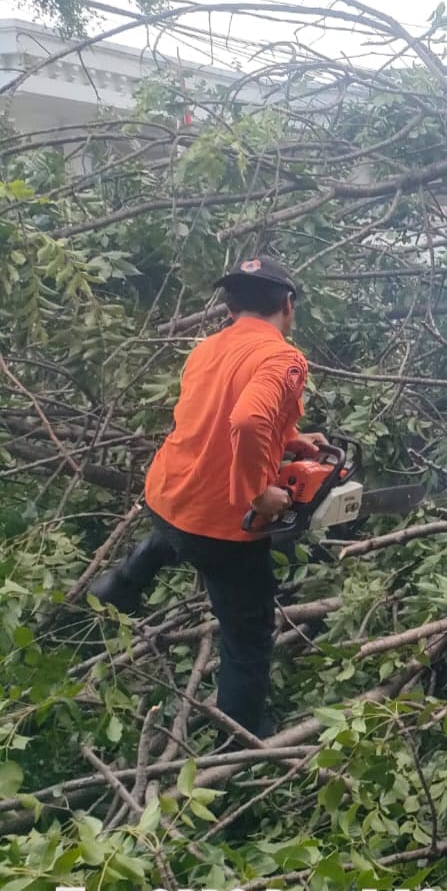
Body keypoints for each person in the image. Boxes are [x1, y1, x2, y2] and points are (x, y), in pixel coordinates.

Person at [89, 255, 322, 740]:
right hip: (221, 529)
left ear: (231, 307)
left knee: (176, 533)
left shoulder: (208, 349)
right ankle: (237, 743)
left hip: (167, 495)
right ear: (288, 304)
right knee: (248, 637)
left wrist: (289, 438)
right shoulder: (283, 358)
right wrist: (258, 495)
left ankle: (119, 588)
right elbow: (248, 421)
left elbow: (217, 416)